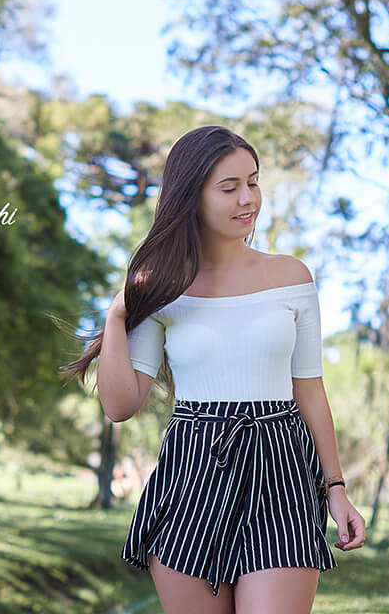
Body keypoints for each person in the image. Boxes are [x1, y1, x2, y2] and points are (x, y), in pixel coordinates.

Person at [66, 124, 365, 614]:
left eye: (253, 182)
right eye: (229, 188)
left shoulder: (291, 277)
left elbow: (310, 391)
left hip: (281, 471)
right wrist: (117, 314)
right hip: (191, 475)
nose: (248, 198)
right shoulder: (162, 289)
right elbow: (120, 406)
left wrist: (336, 490)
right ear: (192, 197)